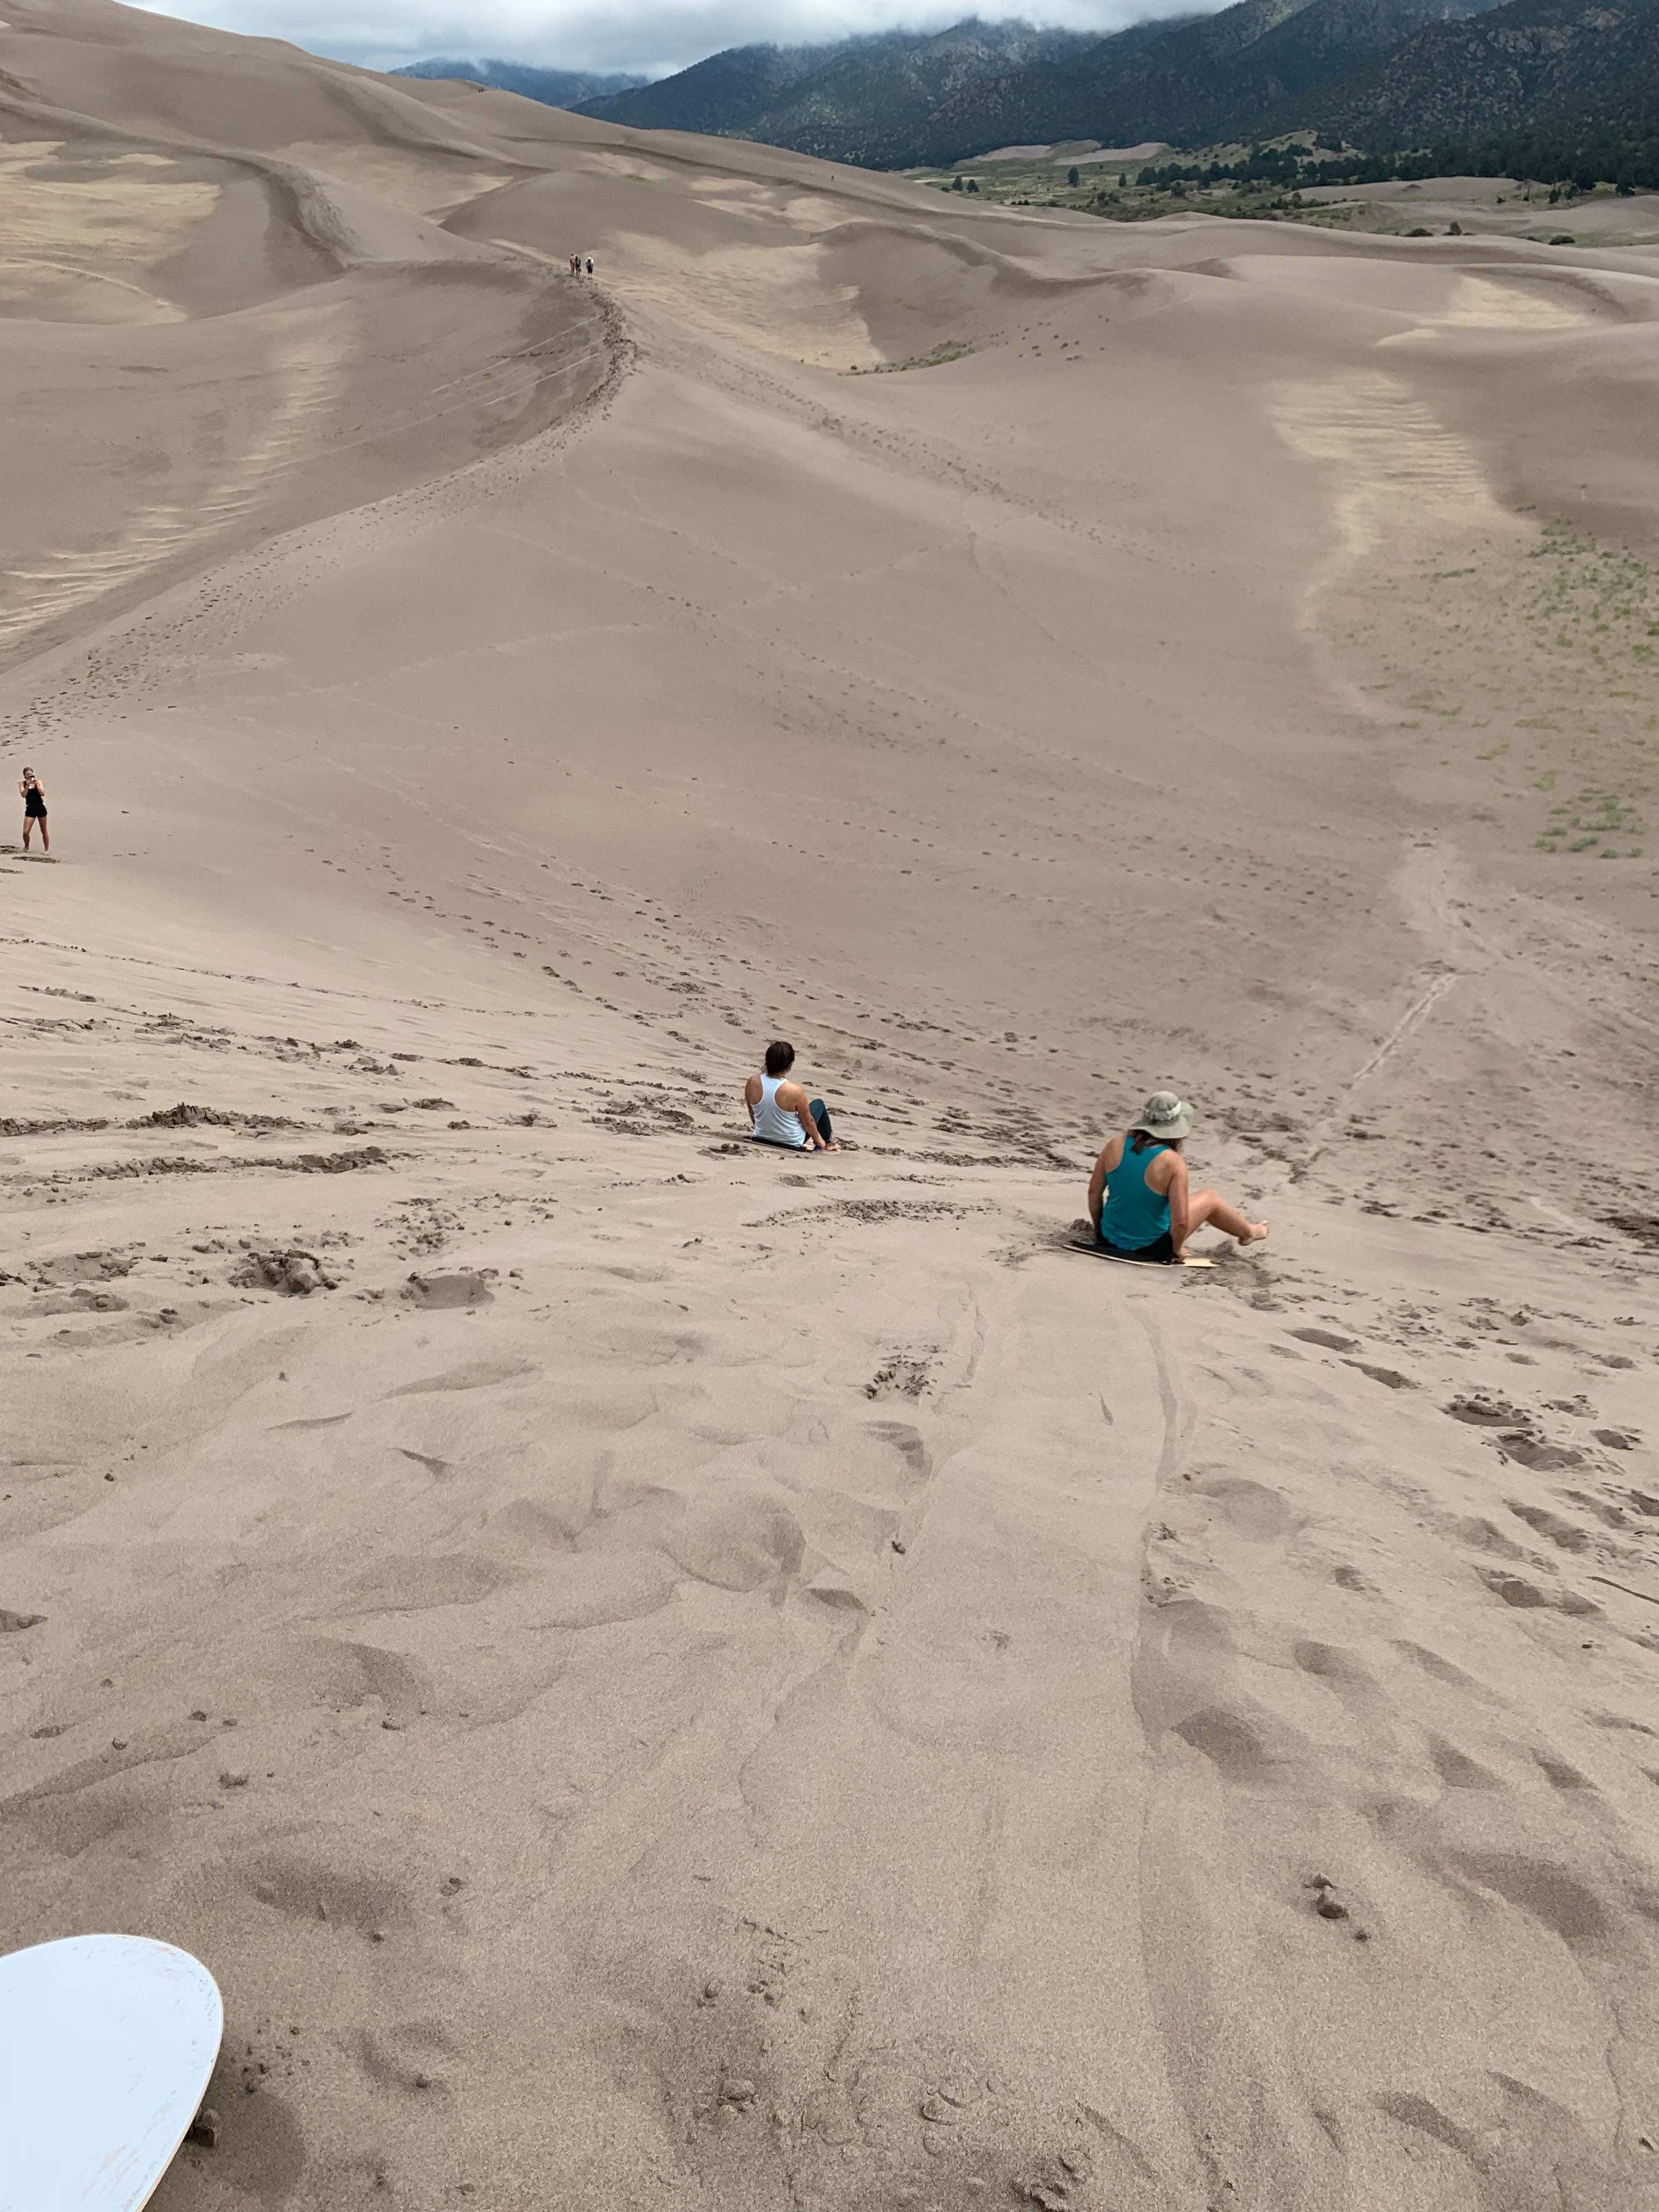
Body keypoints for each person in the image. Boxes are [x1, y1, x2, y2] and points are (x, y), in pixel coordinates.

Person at [1086, 1091, 1266, 1263]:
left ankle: (1249, 1232)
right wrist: (1176, 1250)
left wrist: (1100, 1233)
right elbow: (1180, 1222)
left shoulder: (1115, 1144)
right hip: (1151, 1247)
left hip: (1109, 1238)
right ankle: (1249, 1233)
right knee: (1209, 1198)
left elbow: (1094, 1193)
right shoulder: (1173, 1161)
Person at [745, 1041, 839, 1152]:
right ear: (789, 1066)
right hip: (792, 1141)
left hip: (762, 1136)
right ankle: (829, 1143)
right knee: (818, 1104)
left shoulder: (752, 1082)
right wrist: (819, 1141)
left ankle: (768, 1131)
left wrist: (763, 1130)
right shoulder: (795, 1091)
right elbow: (809, 1122)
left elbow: (753, 1113)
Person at [19, 766, 47, 854]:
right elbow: (23, 795)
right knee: (26, 832)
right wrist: (27, 786)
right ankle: (26, 846)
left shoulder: (38, 782)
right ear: (25, 776)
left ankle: (46, 850)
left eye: (31, 774)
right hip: (30, 808)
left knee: (44, 830)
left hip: (40, 807)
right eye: (27, 775)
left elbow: (43, 794)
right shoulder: (22, 784)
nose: (29, 776)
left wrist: (37, 786)